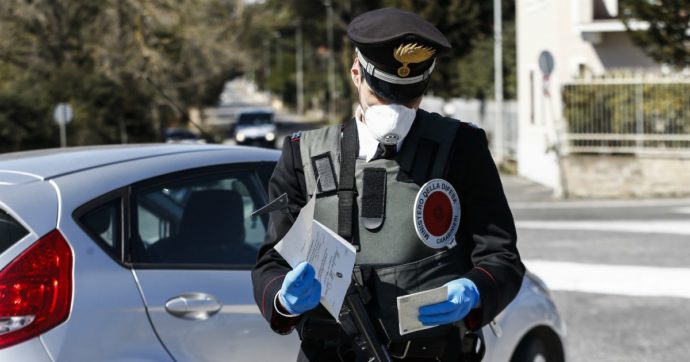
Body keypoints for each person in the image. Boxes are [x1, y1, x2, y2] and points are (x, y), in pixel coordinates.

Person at [252, 7, 524, 361]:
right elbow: (271, 262)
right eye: (382, 92)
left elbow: (502, 256)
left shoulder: (461, 148)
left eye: (407, 96)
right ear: (356, 74)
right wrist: (282, 298)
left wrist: (474, 290)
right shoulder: (301, 154)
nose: (394, 108)